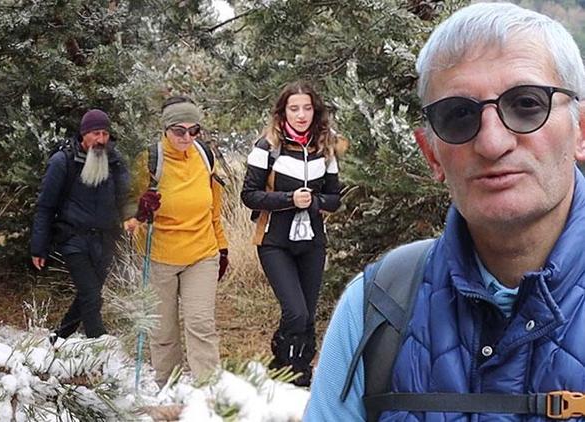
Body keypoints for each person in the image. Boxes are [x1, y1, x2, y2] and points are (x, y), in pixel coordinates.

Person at [304, 2, 585, 420]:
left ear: (581, 131)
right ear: (431, 154)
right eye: (458, 115)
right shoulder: (377, 306)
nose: (493, 143)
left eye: (527, 104)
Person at [240, 81, 342, 387]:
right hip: (275, 242)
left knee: (308, 317)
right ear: (283, 111)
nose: (301, 115)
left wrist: (316, 202)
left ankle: (300, 375)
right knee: (295, 313)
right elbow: (249, 195)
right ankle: (282, 365)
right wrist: (288, 200)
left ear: (316, 111)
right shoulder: (267, 146)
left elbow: (334, 199)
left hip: (312, 241)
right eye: (294, 108)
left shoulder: (325, 147)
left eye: (307, 108)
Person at [124, 96, 229, 387]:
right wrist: (139, 211)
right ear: (165, 129)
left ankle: (208, 393)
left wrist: (222, 249)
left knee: (200, 325)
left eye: (193, 130)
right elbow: (126, 217)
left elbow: (214, 210)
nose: (187, 137)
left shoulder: (205, 157)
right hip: (159, 257)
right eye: (179, 131)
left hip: (202, 253)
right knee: (164, 331)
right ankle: (167, 390)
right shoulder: (149, 161)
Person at [30, 109, 131, 340]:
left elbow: (127, 198)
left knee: (90, 293)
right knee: (91, 294)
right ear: (84, 134)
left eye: (105, 134)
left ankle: (60, 337)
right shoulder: (63, 161)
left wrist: (136, 215)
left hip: (106, 239)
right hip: (73, 238)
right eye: (96, 133)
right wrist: (39, 246)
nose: (101, 140)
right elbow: (45, 205)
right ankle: (99, 342)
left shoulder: (114, 161)